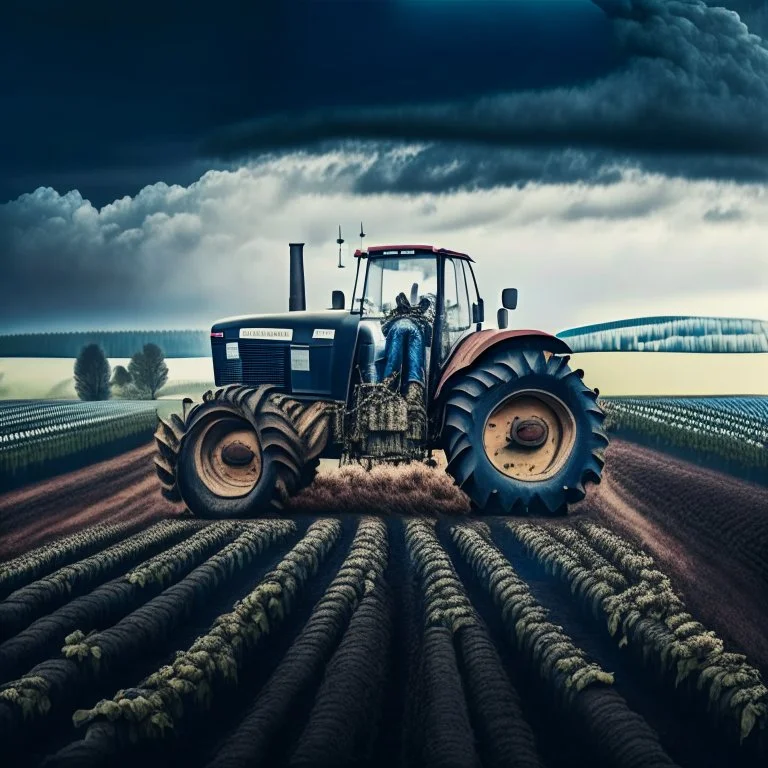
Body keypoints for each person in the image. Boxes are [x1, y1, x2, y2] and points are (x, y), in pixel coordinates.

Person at [380, 291, 435, 402]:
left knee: (391, 368)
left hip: (396, 328)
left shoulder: (392, 316)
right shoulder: (425, 316)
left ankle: (387, 395)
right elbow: (429, 341)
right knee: (414, 371)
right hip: (416, 331)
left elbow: (384, 330)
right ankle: (414, 398)